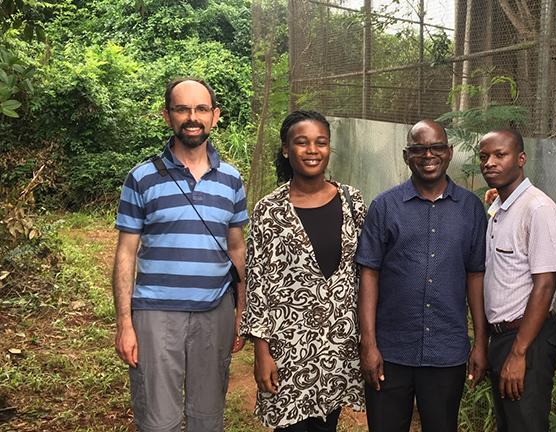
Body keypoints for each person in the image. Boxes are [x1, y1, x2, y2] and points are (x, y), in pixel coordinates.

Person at [112, 78, 248, 431]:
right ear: (167, 116)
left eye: (201, 109)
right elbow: (126, 254)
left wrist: (241, 313)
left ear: (215, 116)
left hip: (214, 311)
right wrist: (125, 324)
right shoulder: (141, 178)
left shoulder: (231, 180)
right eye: (182, 109)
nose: (192, 117)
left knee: (208, 417)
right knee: (158, 420)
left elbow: (237, 248)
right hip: (155, 314)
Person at [356, 119, 488, 432]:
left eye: (436, 147)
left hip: (446, 352)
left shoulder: (470, 209)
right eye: (419, 149)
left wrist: (481, 342)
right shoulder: (385, 207)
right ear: (406, 155)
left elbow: (476, 276)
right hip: (392, 351)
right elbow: (369, 274)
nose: (428, 155)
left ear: (450, 152)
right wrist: (369, 343)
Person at [240, 111, 366, 431]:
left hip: (337, 348)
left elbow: (368, 273)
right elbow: (257, 283)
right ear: (286, 149)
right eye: (302, 142)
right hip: (287, 351)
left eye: (321, 143)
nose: (312, 150)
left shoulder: (352, 201)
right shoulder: (270, 210)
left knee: (327, 426)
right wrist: (262, 352)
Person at [479, 129, 556, 431]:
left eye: (499, 155)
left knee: (525, 424)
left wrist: (518, 353)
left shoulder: (538, 209)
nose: (489, 163)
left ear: (521, 159)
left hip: (528, 340)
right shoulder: (501, 206)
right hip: (503, 337)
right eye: (484, 156)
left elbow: (545, 285)